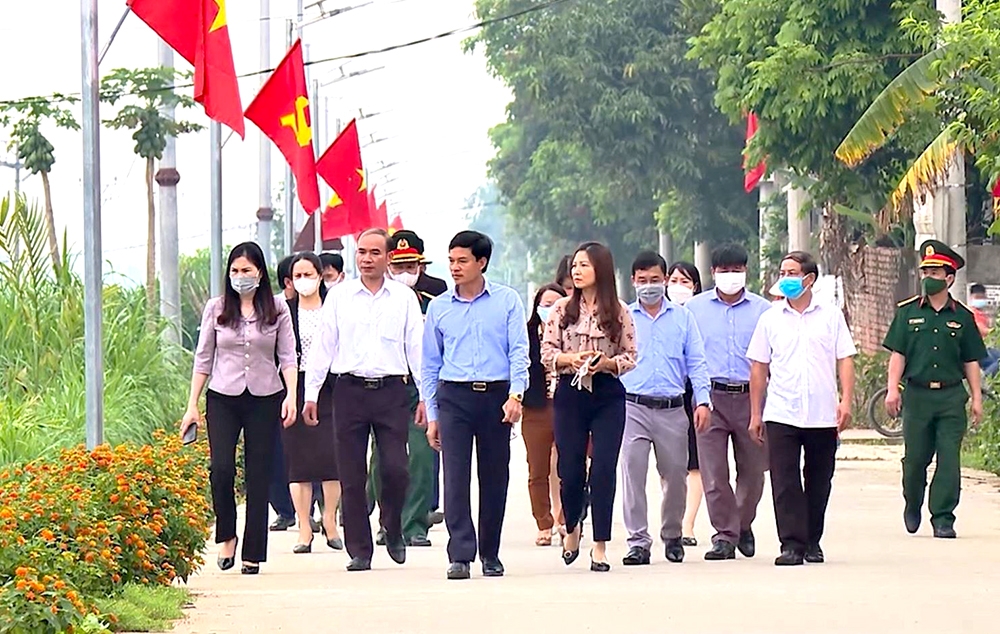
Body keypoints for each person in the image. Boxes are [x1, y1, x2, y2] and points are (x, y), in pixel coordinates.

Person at [303, 229, 426, 571]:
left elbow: (417, 349)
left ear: (387, 258)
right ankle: (360, 549)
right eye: (361, 252)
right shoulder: (340, 296)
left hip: (391, 391)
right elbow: (323, 346)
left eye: (374, 252)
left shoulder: (403, 298)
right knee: (352, 474)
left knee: (395, 468)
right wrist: (311, 393)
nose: (367, 259)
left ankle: (392, 525)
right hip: (349, 392)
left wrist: (426, 397)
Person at [180, 242, 298, 575]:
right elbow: (203, 358)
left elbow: (288, 356)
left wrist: (291, 395)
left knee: (259, 473)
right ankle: (227, 534)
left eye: (246, 270)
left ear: (260, 272)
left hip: (265, 396)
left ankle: (253, 552)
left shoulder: (277, 309)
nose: (240, 277)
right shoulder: (216, 308)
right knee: (221, 469)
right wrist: (192, 405)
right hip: (223, 396)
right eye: (234, 271)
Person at [424, 230, 530, 580]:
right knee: (454, 476)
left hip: (496, 396)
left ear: (481, 262)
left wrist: (516, 396)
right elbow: (430, 363)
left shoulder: (507, 301)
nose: (455, 267)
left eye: (462, 261)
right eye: (451, 260)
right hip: (453, 396)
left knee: (494, 475)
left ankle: (491, 552)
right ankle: (460, 554)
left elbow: (519, 352)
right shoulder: (439, 307)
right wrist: (433, 413)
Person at [746, 251, 856, 566]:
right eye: (783, 272)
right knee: (784, 480)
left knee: (819, 479)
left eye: (792, 273)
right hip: (781, 411)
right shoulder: (770, 318)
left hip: (822, 412)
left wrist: (846, 401)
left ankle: (812, 540)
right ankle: (791, 544)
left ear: (809, 279)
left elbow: (845, 359)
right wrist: (756, 413)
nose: (786, 279)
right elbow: (758, 367)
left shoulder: (831, 315)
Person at [541, 242, 637, 572]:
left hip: (607, 393)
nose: (577, 271)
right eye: (575, 266)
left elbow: (631, 356)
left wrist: (607, 363)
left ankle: (600, 545)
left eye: (584, 265)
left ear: (601, 270)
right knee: (570, 467)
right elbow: (547, 353)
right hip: (570, 391)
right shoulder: (561, 311)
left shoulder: (619, 311)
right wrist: (571, 359)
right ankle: (571, 528)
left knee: (604, 467)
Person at [883, 241, 986, 539]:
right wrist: (893, 389)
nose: (928, 276)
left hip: (951, 397)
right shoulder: (907, 313)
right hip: (917, 396)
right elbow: (898, 355)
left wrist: (977, 398)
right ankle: (912, 502)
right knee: (915, 459)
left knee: (949, 459)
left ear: (949, 277)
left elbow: (970, 360)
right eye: (925, 270)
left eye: (935, 271)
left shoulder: (963, 317)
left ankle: (943, 516)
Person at [620, 252, 711, 566]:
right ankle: (637, 542)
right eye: (643, 281)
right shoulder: (623, 316)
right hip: (632, 406)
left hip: (673, 408)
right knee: (632, 473)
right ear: (633, 281)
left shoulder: (683, 318)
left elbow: (697, 362)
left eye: (655, 280)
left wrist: (702, 400)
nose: (649, 286)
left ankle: (672, 534)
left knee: (675, 475)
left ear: (664, 280)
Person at [685, 244, 771, 561]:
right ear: (713, 273)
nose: (730, 276)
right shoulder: (694, 310)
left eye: (736, 270)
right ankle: (724, 535)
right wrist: (697, 400)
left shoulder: (764, 311)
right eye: (724, 270)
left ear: (746, 272)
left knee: (754, 471)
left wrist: (762, 407)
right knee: (713, 472)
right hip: (710, 398)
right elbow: (690, 358)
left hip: (752, 397)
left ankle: (742, 523)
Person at [368, 230, 448, 548]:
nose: (403, 274)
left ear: (421, 266)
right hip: (386, 383)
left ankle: (415, 525)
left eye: (410, 266)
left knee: (422, 456)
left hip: (422, 385)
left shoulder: (437, 296)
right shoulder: (376, 295)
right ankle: (388, 521)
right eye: (397, 267)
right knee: (383, 459)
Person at [282, 252, 343, 553]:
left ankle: (329, 520)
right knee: (299, 461)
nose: (304, 281)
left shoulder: (335, 307)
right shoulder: (284, 310)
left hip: (332, 389)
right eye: (298, 276)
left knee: (332, 457)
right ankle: (304, 527)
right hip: (295, 385)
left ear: (320, 276)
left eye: (309, 274)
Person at [523, 283, 568, 546]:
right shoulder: (526, 334)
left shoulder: (573, 331)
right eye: (545, 304)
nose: (549, 309)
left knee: (569, 466)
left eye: (555, 304)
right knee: (537, 468)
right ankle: (543, 522)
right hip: (536, 408)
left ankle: (566, 520)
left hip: (567, 406)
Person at [665, 261, 706, 547]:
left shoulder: (700, 315)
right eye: (674, 280)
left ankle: (687, 523)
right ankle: (671, 517)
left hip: (694, 393)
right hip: (665, 394)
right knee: (670, 465)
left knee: (694, 463)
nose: (679, 286)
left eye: (686, 281)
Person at [267, 254, 301, 533]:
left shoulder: (323, 306)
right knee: (276, 451)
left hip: (314, 384)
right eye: (298, 276)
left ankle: (314, 508)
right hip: (274, 385)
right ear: (287, 281)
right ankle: (284, 508)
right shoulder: (275, 309)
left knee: (313, 450)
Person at [968, 283, 999, 377]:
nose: (980, 299)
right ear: (971, 297)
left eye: (982, 297)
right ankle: (985, 380)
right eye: (977, 297)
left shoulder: (982, 314)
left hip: (984, 346)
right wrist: (996, 331)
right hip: (975, 349)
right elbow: (982, 330)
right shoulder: (970, 312)